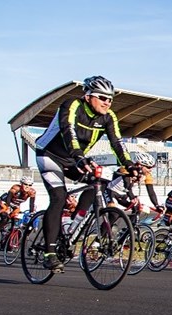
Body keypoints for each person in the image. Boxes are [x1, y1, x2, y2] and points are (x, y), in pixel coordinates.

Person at [35, 75, 136, 273]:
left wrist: (130, 165)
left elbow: (117, 143)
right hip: (49, 154)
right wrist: (79, 157)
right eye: (102, 97)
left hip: (75, 158)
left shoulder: (109, 117)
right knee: (59, 197)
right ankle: (49, 252)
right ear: (88, 96)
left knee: (101, 183)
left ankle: (73, 224)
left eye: (110, 98)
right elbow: (68, 131)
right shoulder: (72, 105)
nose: (108, 102)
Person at [104, 151, 165, 216]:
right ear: (140, 165)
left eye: (152, 167)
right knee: (114, 214)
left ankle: (131, 226)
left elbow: (151, 192)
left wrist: (157, 205)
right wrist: (132, 197)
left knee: (137, 209)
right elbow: (126, 184)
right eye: (149, 167)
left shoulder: (147, 175)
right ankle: (103, 226)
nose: (150, 170)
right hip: (111, 192)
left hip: (123, 194)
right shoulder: (127, 169)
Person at [0, 176, 36, 248]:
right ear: (21, 184)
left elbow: (31, 204)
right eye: (25, 184)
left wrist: (32, 213)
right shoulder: (16, 188)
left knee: (16, 224)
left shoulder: (32, 192)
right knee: (5, 219)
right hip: (5, 203)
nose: (27, 187)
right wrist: (8, 207)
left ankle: (7, 242)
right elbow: (8, 198)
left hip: (16, 206)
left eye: (30, 185)